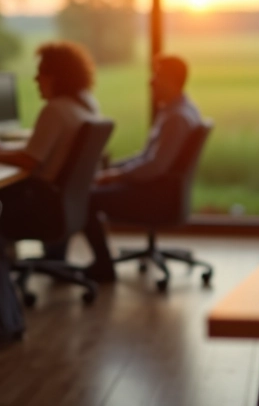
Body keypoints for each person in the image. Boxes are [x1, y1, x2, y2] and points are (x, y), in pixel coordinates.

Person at [0, 41, 101, 240]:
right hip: (64, 207)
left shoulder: (55, 109)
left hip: (40, 207)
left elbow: (30, 160)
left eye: (42, 72)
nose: (36, 79)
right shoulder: (85, 106)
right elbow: (36, 152)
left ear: (57, 77)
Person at [83, 55, 202, 281]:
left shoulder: (176, 117)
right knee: (95, 189)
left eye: (157, 76)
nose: (151, 81)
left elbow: (155, 167)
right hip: (161, 189)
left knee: (88, 198)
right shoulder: (180, 108)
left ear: (173, 80)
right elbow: (148, 157)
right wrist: (114, 171)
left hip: (156, 195)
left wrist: (114, 176)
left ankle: (103, 266)